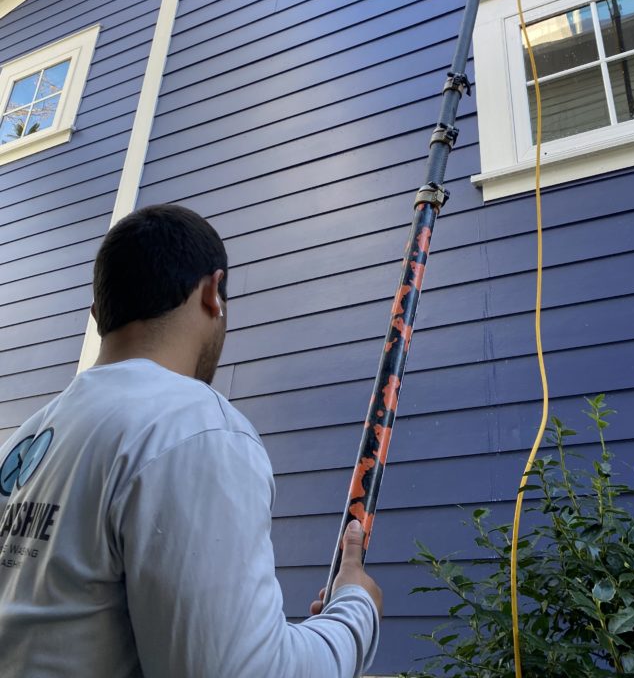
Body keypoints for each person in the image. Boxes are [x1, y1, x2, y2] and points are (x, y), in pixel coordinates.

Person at [0, 204, 382, 677]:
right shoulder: (194, 428)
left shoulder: (23, 444)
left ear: (98, 314)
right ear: (211, 292)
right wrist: (355, 611)